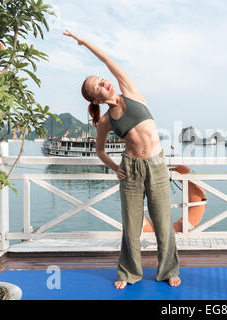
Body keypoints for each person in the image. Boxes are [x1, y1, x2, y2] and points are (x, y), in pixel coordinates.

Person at [63, 30, 181, 288]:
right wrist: (116, 167)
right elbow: (100, 151)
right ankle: (129, 273)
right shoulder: (105, 121)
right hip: (131, 170)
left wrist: (84, 43)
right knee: (131, 227)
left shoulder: (130, 90)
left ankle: (168, 269)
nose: (103, 83)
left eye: (101, 80)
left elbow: (108, 61)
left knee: (163, 222)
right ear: (96, 98)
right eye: (97, 86)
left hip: (158, 165)